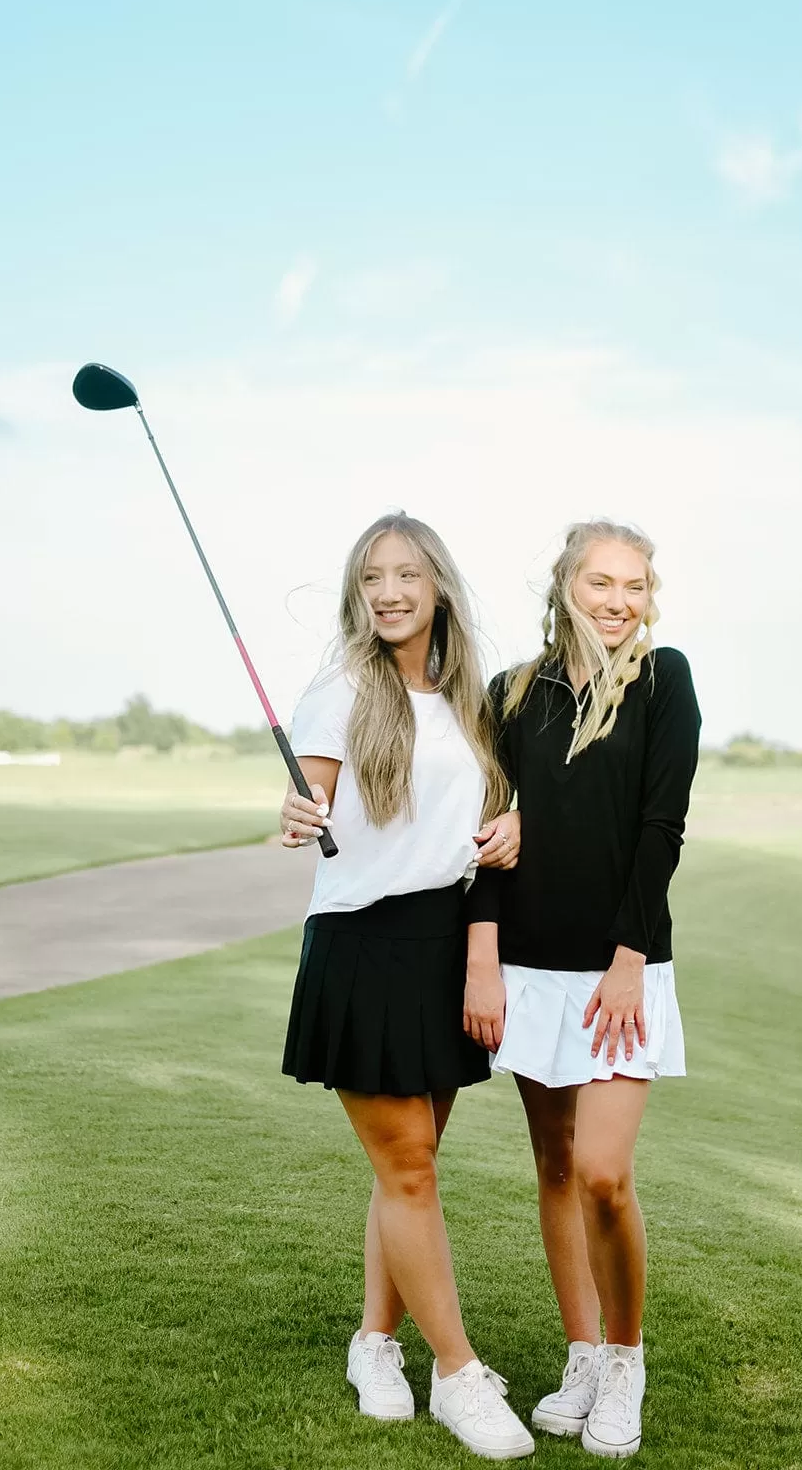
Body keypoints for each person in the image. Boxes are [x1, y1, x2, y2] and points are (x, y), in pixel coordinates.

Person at [278, 512, 534, 1461]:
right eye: (371, 577)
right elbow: (308, 794)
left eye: (406, 575)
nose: (387, 592)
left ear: (439, 588)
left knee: (410, 1168)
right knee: (411, 1170)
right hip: (362, 942)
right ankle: (460, 1376)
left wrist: (516, 827)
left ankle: (374, 1343)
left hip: (443, 943)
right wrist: (299, 811)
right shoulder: (340, 688)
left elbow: (492, 817)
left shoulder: (472, 700)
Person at [464, 519, 701, 1459]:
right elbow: (488, 829)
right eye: (599, 583)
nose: (616, 601)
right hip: (527, 966)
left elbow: (661, 825)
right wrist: (482, 958)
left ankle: (626, 1358)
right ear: (565, 586)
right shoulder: (510, 693)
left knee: (604, 1175)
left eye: (633, 586)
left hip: (621, 970)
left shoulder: (663, 678)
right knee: (556, 1170)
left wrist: (629, 960)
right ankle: (583, 1357)